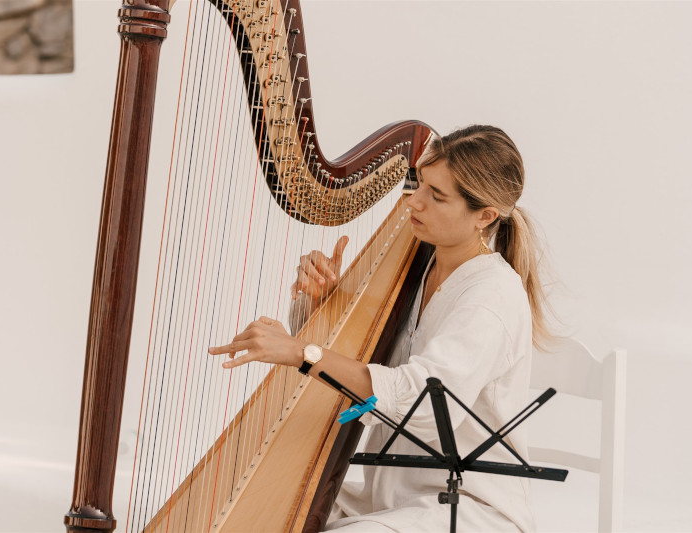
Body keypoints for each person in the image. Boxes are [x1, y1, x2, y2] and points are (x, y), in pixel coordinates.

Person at [209, 125, 550, 532]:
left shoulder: (491, 297)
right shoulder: (419, 265)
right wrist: (324, 304)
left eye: (436, 196)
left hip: (470, 507)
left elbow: (420, 401)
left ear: (485, 216)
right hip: (391, 499)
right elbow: (361, 364)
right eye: (420, 184)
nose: (415, 202)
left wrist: (302, 352)